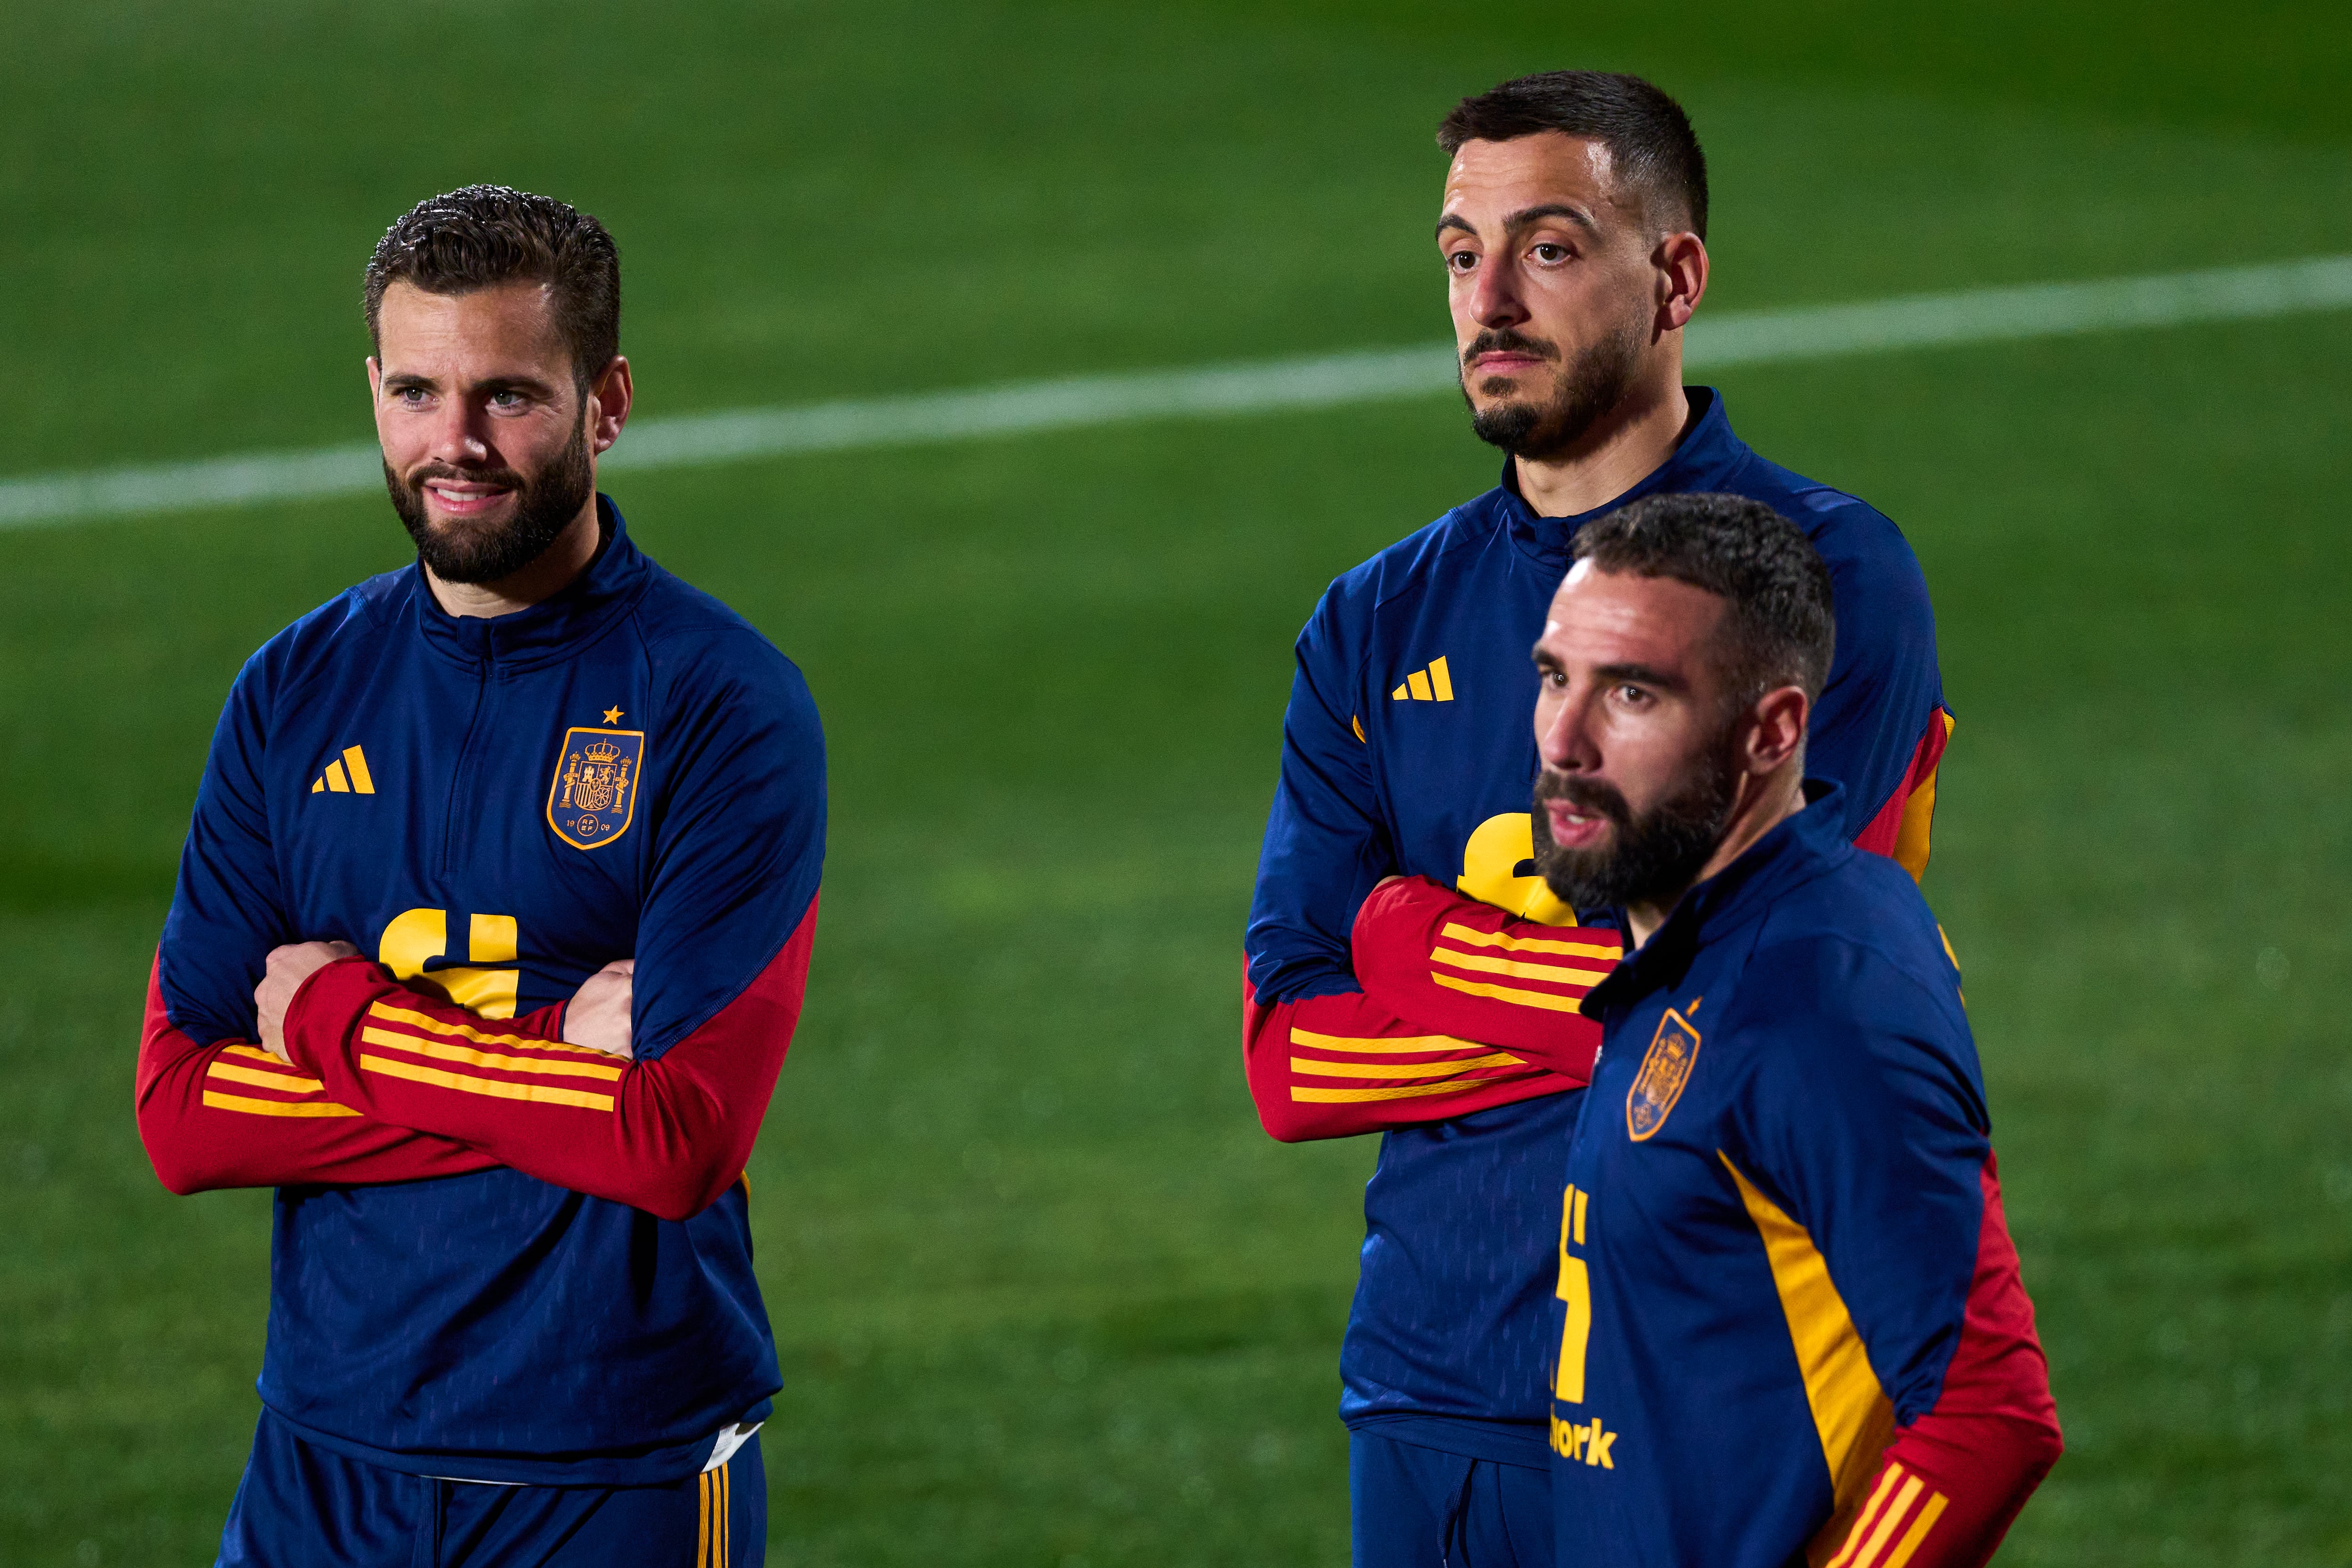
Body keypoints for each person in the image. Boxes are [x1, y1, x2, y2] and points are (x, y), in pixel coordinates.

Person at [1242, 72, 1949, 1564]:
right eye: (1459, 253)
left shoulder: (1820, 582)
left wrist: (1405, 934)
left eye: (1549, 249)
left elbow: (1767, 1006)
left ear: (1676, 274)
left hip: (1724, 1386)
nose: (1488, 299)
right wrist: (1608, 1004)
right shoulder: (1374, 621)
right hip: (1437, 1394)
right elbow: (1290, 1058)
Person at [134, 185, 824, 1567]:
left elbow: (680, 1135)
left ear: (607, 400)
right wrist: (556, 1061)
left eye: (507, 394)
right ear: (374, 394)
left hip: (611, 1466)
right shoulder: (291, 690)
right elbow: (183, 1111)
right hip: (321, 1458)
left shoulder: (723, 704)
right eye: (416, 391)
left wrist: (344, 1026)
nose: (453, 443)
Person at [1531, 492, 2060, 1567]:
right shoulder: (1706, 938)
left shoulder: (1813, 998)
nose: (1565, 741)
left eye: (1631, 692)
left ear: (1771, 730)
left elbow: (1987, 1413)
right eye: (1554, 676)